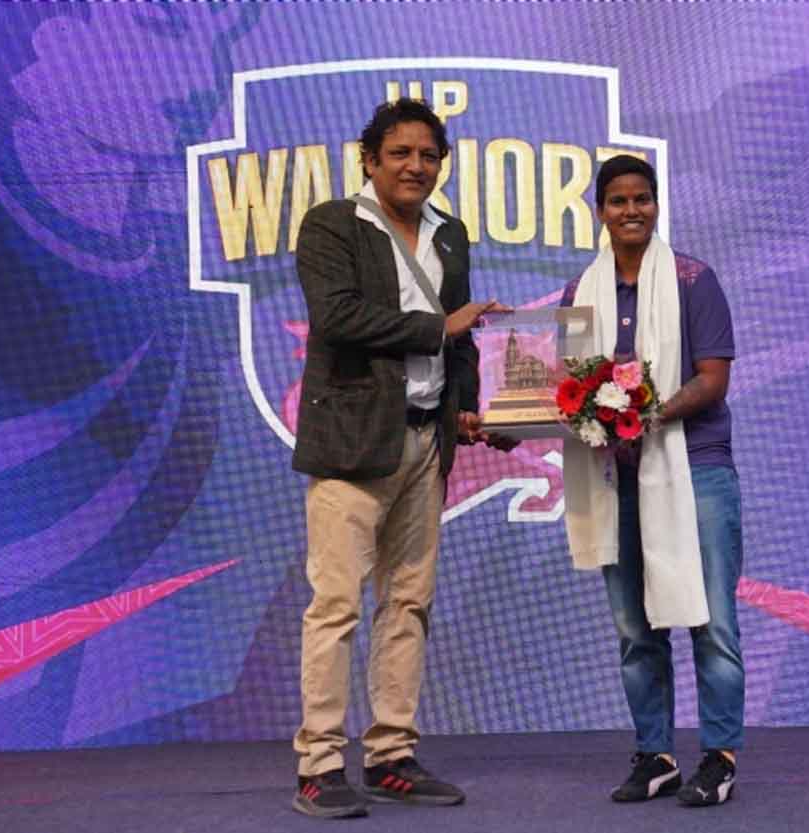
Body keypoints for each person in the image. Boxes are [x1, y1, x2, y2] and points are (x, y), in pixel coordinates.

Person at [290, 98, 511, 819]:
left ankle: (390, 755)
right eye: (400, 153)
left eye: (428, 155)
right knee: (336, 605)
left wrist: (467, 403)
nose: (416, 166)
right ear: (369, 160)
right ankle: (319, 765)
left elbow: (463, 337)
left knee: (409, 603)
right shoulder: (332, 223)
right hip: (354, 442)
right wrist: (439, 326)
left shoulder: (450, 233)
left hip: (426, 440)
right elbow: (338, 317)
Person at [561, 155, 744, 807]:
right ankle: (656, 754)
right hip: (614, 476)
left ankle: (719, 757)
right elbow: (569, 390)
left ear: (657, 205)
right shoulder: (579, 292)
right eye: (618, 200)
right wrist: (512, 421)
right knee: (634, 628)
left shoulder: (694, 280)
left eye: (642, 198)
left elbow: (712, 379)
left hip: (697, 468)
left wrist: (646, 414)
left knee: (711, 620)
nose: (631, 210)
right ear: (600, 211)